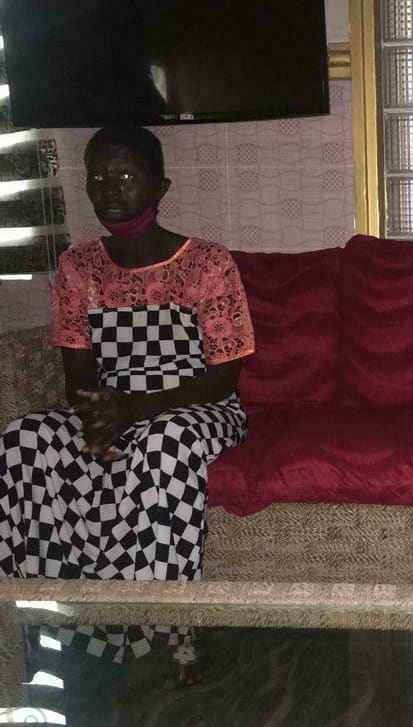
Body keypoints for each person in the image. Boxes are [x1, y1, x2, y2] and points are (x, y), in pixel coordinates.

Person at [0, 126, 254, 661]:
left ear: (160, 186)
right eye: (97, 177)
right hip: (114, 406)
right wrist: (97, 419)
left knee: (164, 444)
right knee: (24, 438)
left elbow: (224, 377)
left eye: (124, 175)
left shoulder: (207, 263)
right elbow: (78, 373)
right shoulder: (78, 266)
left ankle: (174, 636)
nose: (109, 189)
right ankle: (47, 626)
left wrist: (131, 411)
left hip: (197, 407)